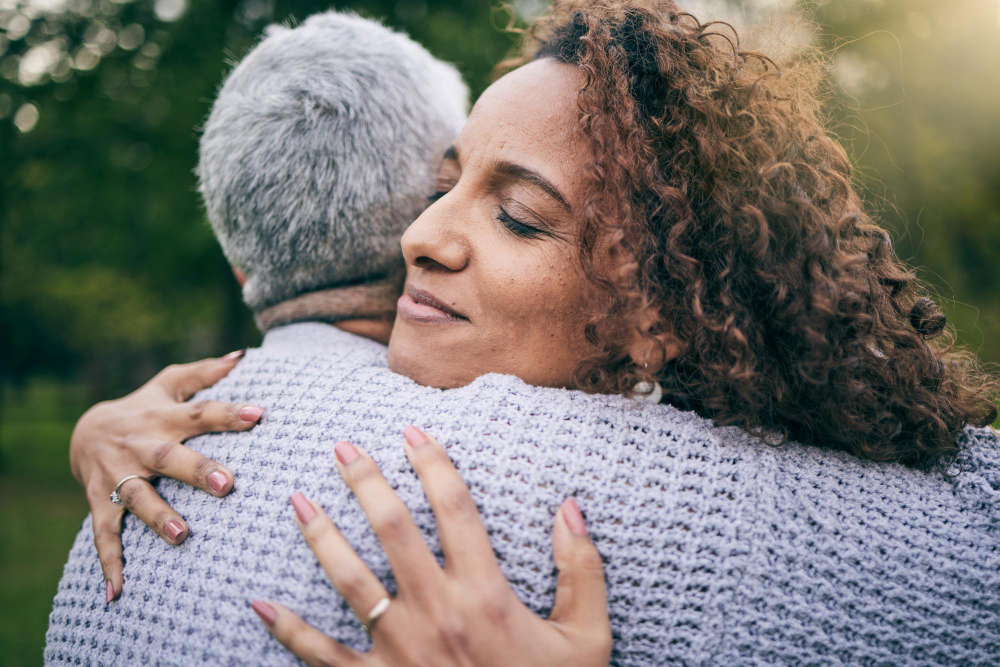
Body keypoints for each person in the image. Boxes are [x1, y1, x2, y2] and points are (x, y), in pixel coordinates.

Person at [53, 1, 1000, 665]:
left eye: (517, 215)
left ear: (659, 313)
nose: (419, 236)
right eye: (444, 184)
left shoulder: (718, 524)